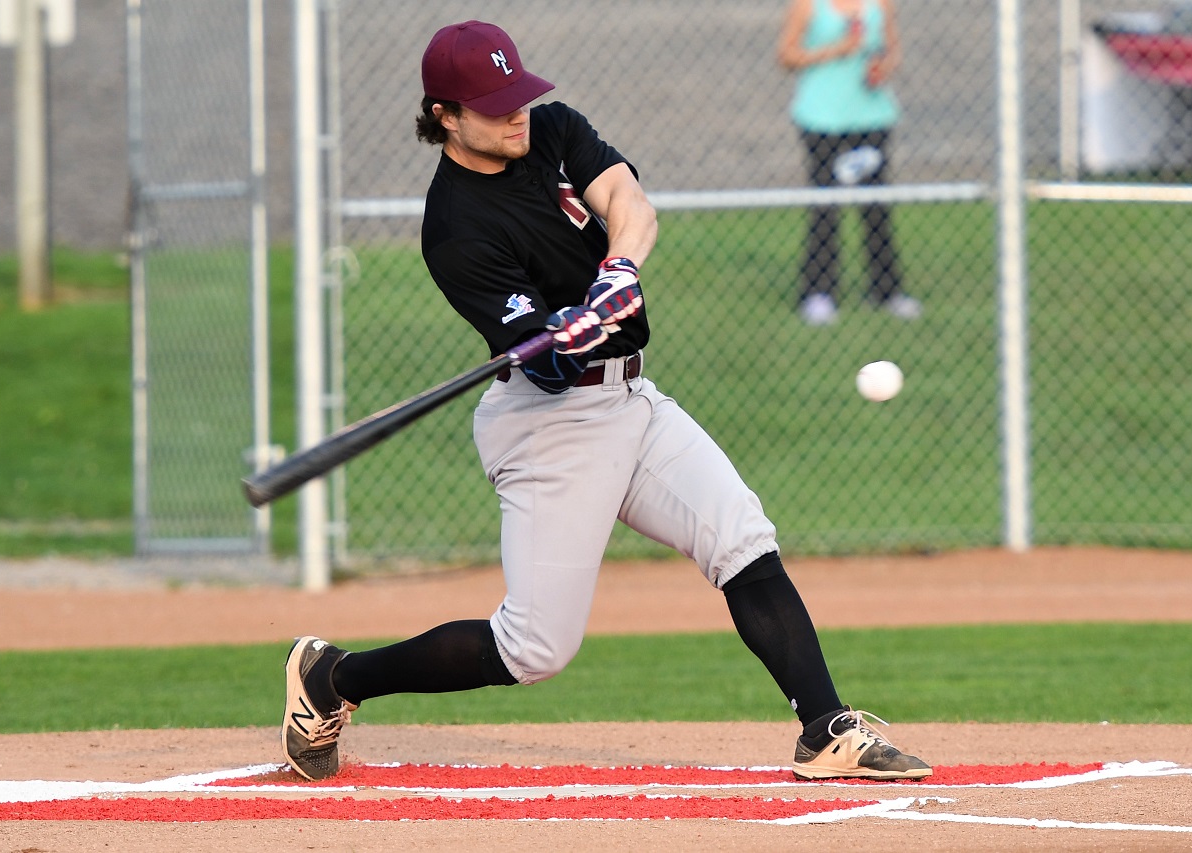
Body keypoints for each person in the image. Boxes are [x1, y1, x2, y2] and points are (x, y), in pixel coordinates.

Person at [279, 19, 931, 785]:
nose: (516, 113)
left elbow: (629, 200)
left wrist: (617, 268)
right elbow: (551, 369)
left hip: (631, 398)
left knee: (741, 537)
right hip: (548, 425)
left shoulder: (552, 129)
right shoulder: (456, 228)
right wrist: (570, 330)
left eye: (517, 94)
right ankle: (333, 677)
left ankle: (826, 729)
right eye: (493, 106)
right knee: (533, 649)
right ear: (445, 116)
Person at [778, 0, 921, 326]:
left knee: (876, 206)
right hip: (822, 119)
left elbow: (892, 50)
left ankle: (887, 291)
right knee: (825, 207)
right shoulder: (808, 6)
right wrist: (837, 50)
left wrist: (883, 67)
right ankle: (819, 293)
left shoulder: (879, 4)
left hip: (871, 117)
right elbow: (787, 55)